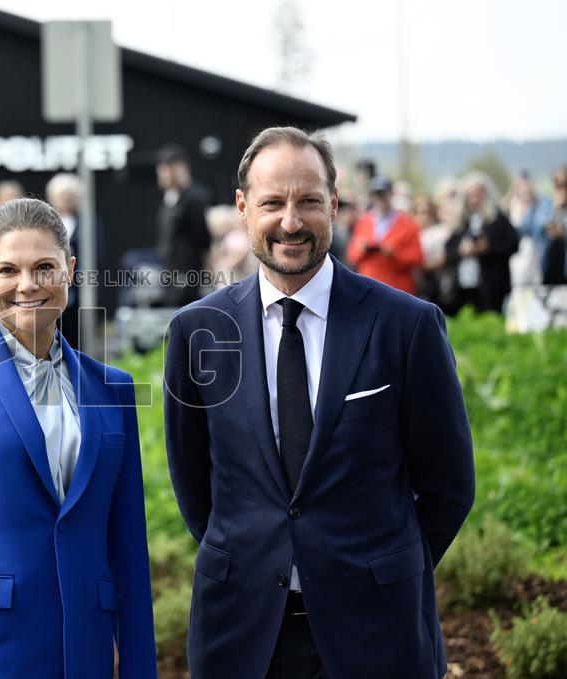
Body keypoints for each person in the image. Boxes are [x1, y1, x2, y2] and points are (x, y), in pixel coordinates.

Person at [164, 126, 474, 678]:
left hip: (379, 630)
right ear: (242, 208)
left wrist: (384, 567)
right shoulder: (197, 331)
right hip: (243, 632)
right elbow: (196, 488)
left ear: (333, 205)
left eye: (308, 201)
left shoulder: (407, 326)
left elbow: (449, 486)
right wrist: (258, 563)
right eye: (272, 203)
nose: (290, 222)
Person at [0, 197, 157, 678]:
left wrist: (140, 667)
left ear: (70, 270)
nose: (27, 285)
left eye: (45, 267)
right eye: (8, 270)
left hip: (87, 653)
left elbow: (128, 550)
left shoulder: (114, 390)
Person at [443, 172, 520, 313]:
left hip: (491, 285)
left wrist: (488, 247)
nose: (475, 199)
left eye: (478, 194)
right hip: (464, 286)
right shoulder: (462, 222)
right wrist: (461, 250)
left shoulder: (497, 219)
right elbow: (448, 249)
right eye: (471, 195)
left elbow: (513, 244)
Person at [46, 172, 105, 348]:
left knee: (80, 340)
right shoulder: (45, 223)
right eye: (61, 196)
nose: (64, 200)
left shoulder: (89, 222)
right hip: (52, 289)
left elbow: (96, 255)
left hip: (80, 292)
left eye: (69, 196)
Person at [346, 176, 423, 295]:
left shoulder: (407, 223)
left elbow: (417, 257)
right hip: (369, 287)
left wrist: (393, 253)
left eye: (383, 194)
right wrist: (362, 249)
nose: (380, 198)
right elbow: (352, 256)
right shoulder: (363, 222)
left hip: (398, 289)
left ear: (391, 194)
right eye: (376, 194)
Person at [155, 144, 211, 306]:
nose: (162, 175)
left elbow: (202, 237)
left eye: (165, 169)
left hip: (188, 272)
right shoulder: (168, 198)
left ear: (180, 168)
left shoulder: (195, 197)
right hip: (169, 270)